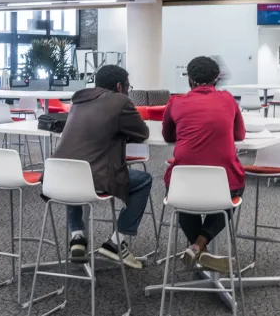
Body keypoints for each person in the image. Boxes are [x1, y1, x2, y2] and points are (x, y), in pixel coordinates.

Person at [52, 65, 152, 269]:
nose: (128, 90)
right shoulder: (120, 101)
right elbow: (142, 132)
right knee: (143, 180)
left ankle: (77, 236)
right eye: (128, 86)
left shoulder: (78, 100)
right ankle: (116, 242)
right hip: (95, 178)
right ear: (119, 86)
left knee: (75, 173)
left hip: (58, 175)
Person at [162, 56, 246, 273]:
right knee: (231, 189)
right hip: (224, 183)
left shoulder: (175, 103)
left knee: (181, 195)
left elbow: (168, 136)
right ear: (216, 79)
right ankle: (200, 245)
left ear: (189, 80)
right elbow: (239, 134)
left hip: (183, 184)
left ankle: (197, 247)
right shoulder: (228, 100)